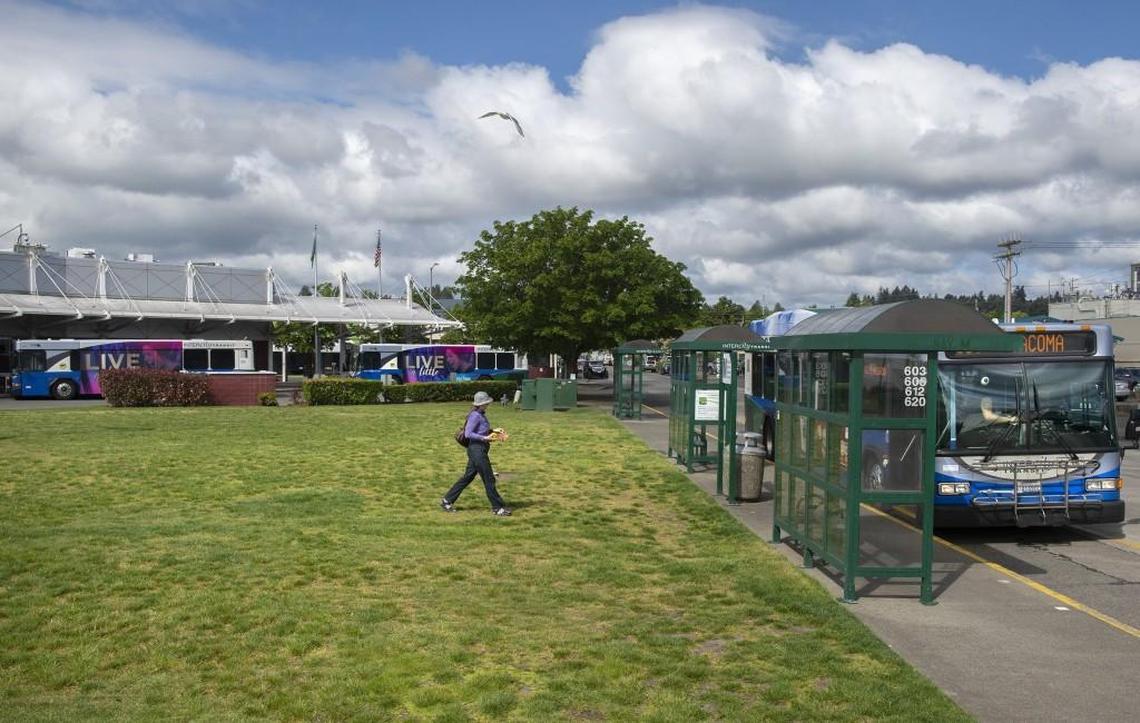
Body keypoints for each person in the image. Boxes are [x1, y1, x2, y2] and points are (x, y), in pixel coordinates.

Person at [440, 391, 511, 516]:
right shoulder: (475, 416)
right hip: (477, 451)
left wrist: (494, 431)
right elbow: (468, 433)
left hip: (478, 450)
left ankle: (447, 500)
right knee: (489, 479)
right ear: (481, 404)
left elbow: (481, 430)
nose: (488, 404)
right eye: (487, 403)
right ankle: (497, 508)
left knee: (468, 477)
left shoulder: (481, 414)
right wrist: (485, 438)